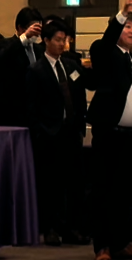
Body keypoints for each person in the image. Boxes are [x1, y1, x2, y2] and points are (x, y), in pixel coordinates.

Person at [85, 0, 132, 260]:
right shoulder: (105, 53)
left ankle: (121, 243)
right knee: (104, 190)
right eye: (127, 26)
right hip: (109, 134)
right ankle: (102, 246)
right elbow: (105, 43)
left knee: (125, 193)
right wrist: (122, 12)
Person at [26, 20, 89, 246]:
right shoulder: (36, 70)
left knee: (74, 182)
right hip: (49, 133)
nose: (62, 44)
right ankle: (51, 227)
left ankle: (72, 227)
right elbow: (30, 105)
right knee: (51, 183)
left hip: (71, 131)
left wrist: (80, 124)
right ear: (46, 41)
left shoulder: (71, 65)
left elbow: (80, 95)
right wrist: (39, 131)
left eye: (65, 40)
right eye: (58, 40)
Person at [0, 8, 45, 128]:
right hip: (10, 110)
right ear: (20, 27)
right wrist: (25, 37)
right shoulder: (5, 44)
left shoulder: (39, 49)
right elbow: (2, 57)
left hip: (32, 110)